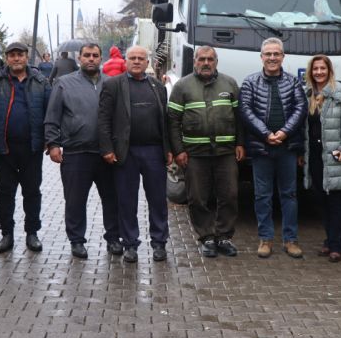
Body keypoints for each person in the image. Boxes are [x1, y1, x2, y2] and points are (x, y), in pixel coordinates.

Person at [45, 43, 121, 258]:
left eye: (95, 55)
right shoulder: (64, 83)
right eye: (86, 55)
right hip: (76, 152)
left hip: (107, 153)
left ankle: (114, 238)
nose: (90, 59)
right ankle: (77, 240)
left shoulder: (112, 83)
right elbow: (52, 116)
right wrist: (52, 144)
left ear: (101, 58)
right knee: (75, 200)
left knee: (111, 198)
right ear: (79, 58)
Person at [167, 46, 244, 258]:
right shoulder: (183, 86)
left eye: (210, 59)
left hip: (225, 152)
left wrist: (240, 143)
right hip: (194, 154)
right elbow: (172, 121)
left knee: (229, 195)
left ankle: (224, 237)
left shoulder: (229, 83)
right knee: (197, 198)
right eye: (202, 59)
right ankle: (207, 238)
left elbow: (239, 117)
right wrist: (178, 150)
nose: (206, 63)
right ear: (195, 62)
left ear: (216, 61)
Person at [98, 45, 172, 263]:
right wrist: (107, 149)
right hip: (125, 153)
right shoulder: (113, 85)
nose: (137, 61)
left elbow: (164, 121)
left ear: (147, 62)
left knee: (158, 200)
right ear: (125, 61)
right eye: (133, 58)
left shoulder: (158, 87)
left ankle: (159, 243)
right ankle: (130, 244)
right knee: (127, 200)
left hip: (154, 152)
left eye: (141, 58)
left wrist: (168, 149)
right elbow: (103, 120)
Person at [0, 42, 50, 254]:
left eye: (20, 55)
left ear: (27, 57)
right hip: (3, 149)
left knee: (32, 192)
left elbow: (50, 111)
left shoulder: (41, 81)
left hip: (32, 148)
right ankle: (6, 233)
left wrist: (50, 138)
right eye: (12, 55)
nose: (16, 59)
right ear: (7, 58)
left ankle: (32, 233)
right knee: (5, 192)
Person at [240, 37, 307, 259]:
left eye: (276, 54)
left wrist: (284, 132)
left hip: (287, 147)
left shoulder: (294, 82)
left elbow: (300, 108)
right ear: (261, 57)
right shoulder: (250, 82)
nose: (272, 58)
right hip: (262, 148)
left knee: (289, 194)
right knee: (262, 195)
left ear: (282, 57)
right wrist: (266, 134)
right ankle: (265, 239)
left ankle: (290, 240)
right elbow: (246, 110)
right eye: (268, 54)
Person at [301, 55, 341, 263]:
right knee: (321, 200)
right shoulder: (306, 93)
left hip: (335, 155)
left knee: (336, 202)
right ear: (311, 72)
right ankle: (329, 240)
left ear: (329, 71)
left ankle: (336, 246)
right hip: (315, 156)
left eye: (322, 69)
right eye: (315, 69)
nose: (319, 72)